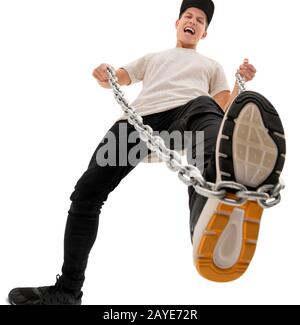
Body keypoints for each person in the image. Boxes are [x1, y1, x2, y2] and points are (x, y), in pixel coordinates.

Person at [8, 0, 285, 305]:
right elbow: (121, 76)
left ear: (204, 33)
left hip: (189, 114)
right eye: (188, 16)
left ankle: (210, 208)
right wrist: (106, 74)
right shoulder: (154, 58)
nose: (193, 21)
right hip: (138, 121)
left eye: (201, 20)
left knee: (208, 129)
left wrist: (238, 83)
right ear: (177, 23)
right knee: (87, 193)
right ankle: (68, 291)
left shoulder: (210, 66)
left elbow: (221, 110)